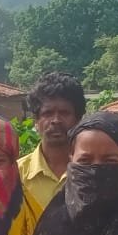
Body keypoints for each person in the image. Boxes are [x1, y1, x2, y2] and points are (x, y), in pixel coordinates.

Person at [18, 72, 85, 209]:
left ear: (78, 120)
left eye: (64, 113)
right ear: (36, 121)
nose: (56, 120)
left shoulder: (90, 171)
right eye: (47, 113)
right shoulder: (16, 175)